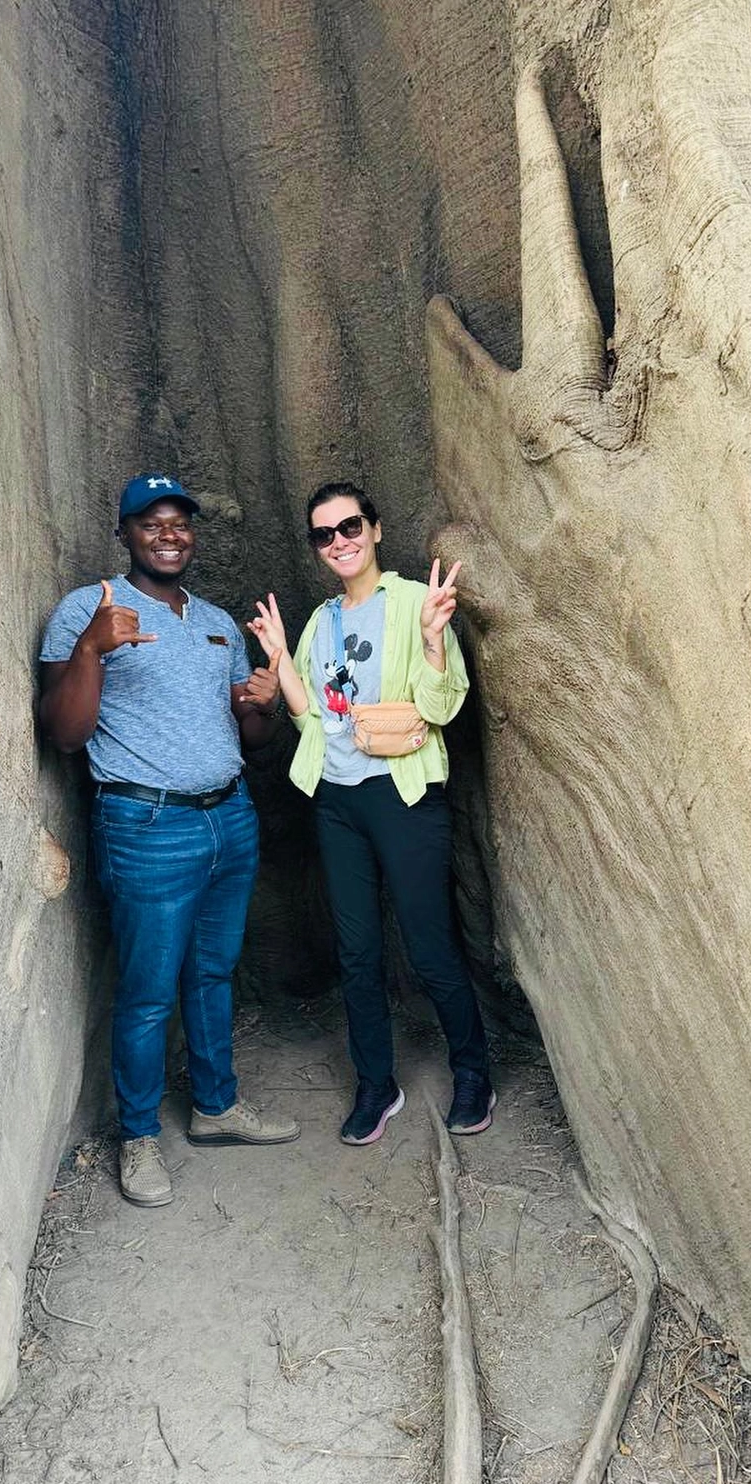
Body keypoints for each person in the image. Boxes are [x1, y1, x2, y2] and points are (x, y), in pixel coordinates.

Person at [38, 472, 299, 1209]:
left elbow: (248, 740)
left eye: (180, 522)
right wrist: (91, 650)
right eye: (151, 522)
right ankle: (140, 1135)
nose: (169, 534)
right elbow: (63, 733)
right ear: (123, 533)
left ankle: (216, 1106)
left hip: (229, 819)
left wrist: (260, 705)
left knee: (214, 973)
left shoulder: (215, 621)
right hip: (148, 827)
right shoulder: (89, 610)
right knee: (149, 993)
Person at [248, 481, 494, 1145]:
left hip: (404, 796)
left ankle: (473, 1072)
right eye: (324, 534)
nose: (340, 542)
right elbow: (307, 722)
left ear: (375, 529)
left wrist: (436, 641)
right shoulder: (321, 623)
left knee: (429, 944)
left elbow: (441, 710)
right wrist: (280, 658)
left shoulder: (417, 602)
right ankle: (375, 1084)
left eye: (350, 526)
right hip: (338, 802)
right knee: (355, 953)